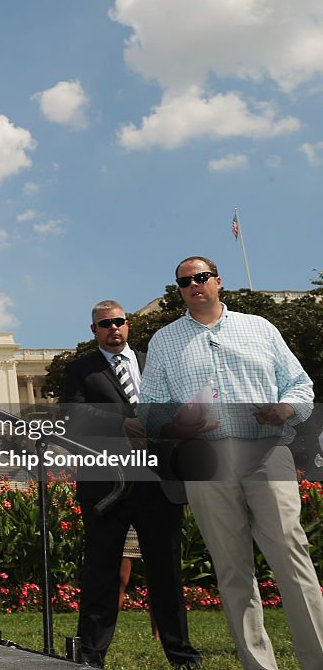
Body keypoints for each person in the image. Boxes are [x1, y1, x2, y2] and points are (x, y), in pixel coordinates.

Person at [141, 256, 323, 669]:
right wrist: (177, 426)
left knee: (292, 555)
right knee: (231, 569)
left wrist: (284, 409)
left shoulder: (260, 327)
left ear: (218, 282)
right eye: (184, 282)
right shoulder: (165, 341)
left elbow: (301, 385)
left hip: (265, 453)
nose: (193, 285)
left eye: (201, 277)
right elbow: (150, 411)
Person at [62, 300, 201, 668]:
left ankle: (181, 654)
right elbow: (73, 416)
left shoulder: (153, 362)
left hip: (158, 480)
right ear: (94, 330)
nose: (114, 328)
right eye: (105, 323)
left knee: (166, 571)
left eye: (119, 321)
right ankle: (90, 655)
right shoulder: (80, 370)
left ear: (129, 325)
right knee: (101, 573)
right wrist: (122, 422)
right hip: (106, 484)